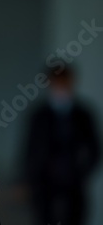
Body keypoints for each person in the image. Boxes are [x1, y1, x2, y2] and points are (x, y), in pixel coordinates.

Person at [24, 66, 100, 225]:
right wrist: (24, 179)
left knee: (75, 217)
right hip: (44, 178)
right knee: (44, 217)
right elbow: (29, 148)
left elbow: (94, 148)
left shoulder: (83, 114)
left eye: (64, 82)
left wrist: (84, 171)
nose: (60, 86)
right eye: (56, 82)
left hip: (73, 177)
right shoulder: (39, 115)